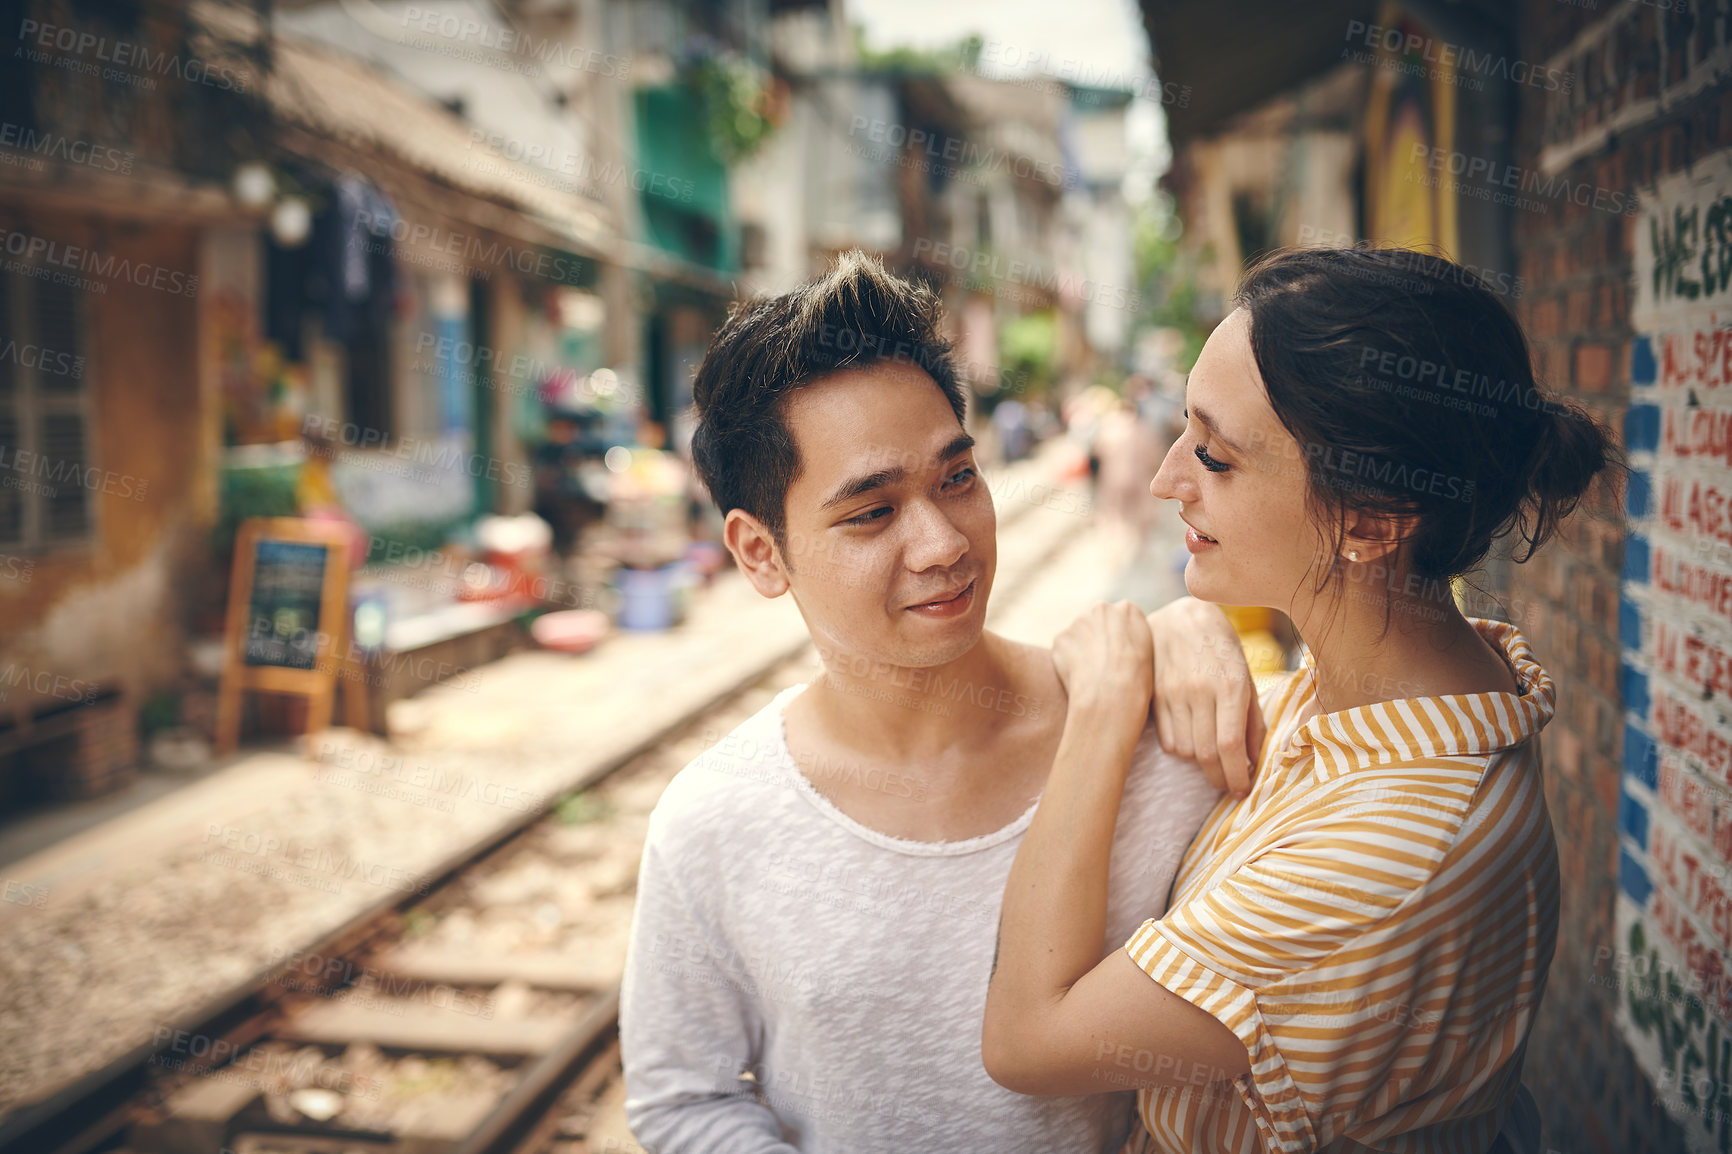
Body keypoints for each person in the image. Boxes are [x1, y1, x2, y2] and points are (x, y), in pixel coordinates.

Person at [982, 246, 1618, 1153]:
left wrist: (1103, 705)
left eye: (1214, 454)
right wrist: (1178, 632)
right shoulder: (1401, 695)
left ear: (1368, 521)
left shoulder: (1385, 859)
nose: (1167, 478)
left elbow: (1026, 1040)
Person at [619, 252, 1255, 1153]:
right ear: (760, 553)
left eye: (957, 478)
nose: (943, 543)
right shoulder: (713, 823)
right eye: (870, 514)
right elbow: (684, 1102)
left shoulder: (1166, 741)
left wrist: (1192, 627)